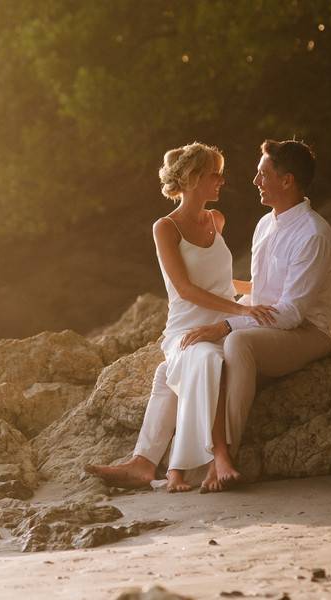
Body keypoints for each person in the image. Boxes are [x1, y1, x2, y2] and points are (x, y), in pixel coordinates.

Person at [85, 142, 278, 493]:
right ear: (191, 179)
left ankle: (144, 464)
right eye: (213, 174)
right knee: (203, 358)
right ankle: (213, 457)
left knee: (167, 376)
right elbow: (186, 288)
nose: (222, 180)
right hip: (186, 329)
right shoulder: (166, 228)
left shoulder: (216, 220)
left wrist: (261, 291)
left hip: (224, 324)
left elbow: (220, 282)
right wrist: (242, 308)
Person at [180, 139, 331, 462]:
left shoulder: (313, 235)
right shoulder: (265, 225)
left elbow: (291, 313)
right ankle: (180, 458)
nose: (256, 182)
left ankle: (224, 457)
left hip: (307, 332)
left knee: (237, 344)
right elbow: (260, 290)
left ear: (286, 181)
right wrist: (211, 303)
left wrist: (226, 325)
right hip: (269, 324)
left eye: (263, 174)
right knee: (200, 346)